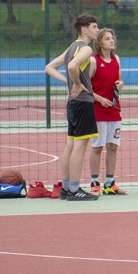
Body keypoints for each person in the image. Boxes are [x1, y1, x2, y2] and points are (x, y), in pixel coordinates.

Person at [44, 13, 101, 201]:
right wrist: (75, 84)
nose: (97, 30)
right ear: (84, 29)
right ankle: (75, 189)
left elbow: (49, 67)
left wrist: (68, 83)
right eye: (94, 27)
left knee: (70, 144)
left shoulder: (71, 48)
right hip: (83, 101)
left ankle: (67, 188)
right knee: (80, 145)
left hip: (72, 102)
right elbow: (71, 68)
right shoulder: (84, 49)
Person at [88, 28, 127, 196]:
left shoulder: (116, 59)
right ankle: (95, 183)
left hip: (114, 110)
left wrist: (120, 84)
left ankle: (109, 183)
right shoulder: (93, 61)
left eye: (113, 38)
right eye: (108, 38)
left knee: (113, 147)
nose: (112, 41)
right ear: (100, 42)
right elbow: (85, 87)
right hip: (98, 111)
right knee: (97, 147)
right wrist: (99, 99)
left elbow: (118, 80)